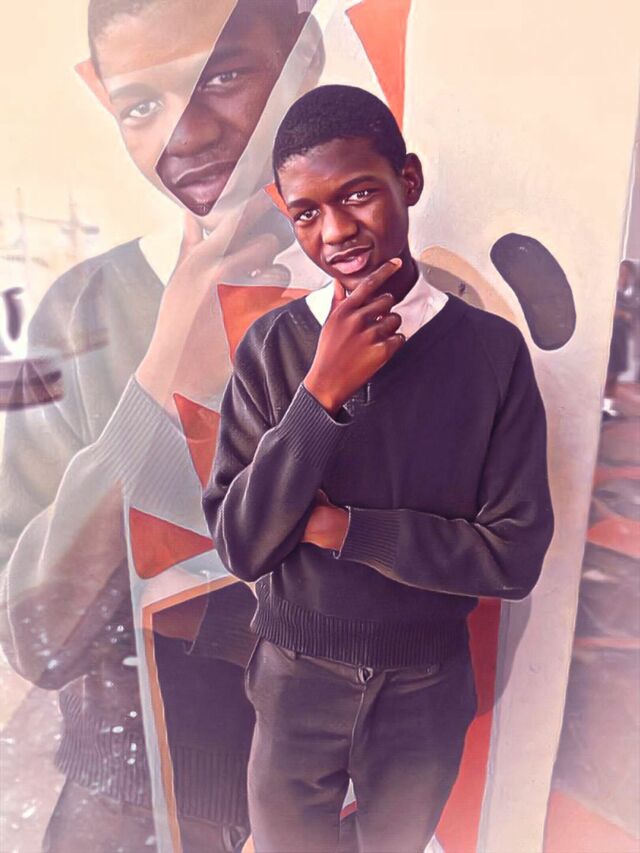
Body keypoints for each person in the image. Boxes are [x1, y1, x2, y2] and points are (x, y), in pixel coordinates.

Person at [0, 1, 323, 851]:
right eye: (141, 103)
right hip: (121, 813)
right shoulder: (82, 311)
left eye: (223, 76)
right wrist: (163, 379)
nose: (186, 133)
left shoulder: (404, 290)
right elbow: (39, 637)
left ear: (306, 55)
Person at [204, 84, 555, 853]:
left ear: (409, 180)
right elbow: (243, 543)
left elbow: (512, 556)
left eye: (358, 194)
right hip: (294, 678)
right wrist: (319, 394)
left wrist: (340, 528)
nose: (335, 231)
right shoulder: (274, 348)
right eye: (306, 212)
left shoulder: (490, 354)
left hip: (425, 685)